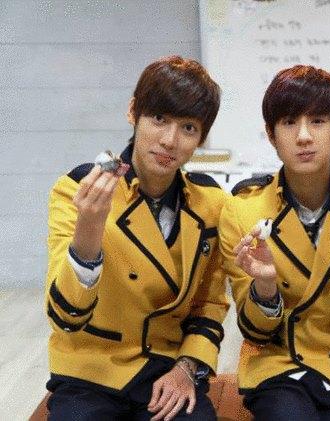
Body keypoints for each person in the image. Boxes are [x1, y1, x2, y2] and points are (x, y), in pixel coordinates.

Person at [44, 56, 228, 421]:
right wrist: (89, 228)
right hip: (88, 369)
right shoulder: (77, 189)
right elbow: (65, 317)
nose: (170, 140)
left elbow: (209, 304)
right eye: (158, 118)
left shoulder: (211, 203)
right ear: (133, 112)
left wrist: (186, 368)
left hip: (166, 366)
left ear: (201, 137)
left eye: (188, 127)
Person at [218, 65, 330, 421]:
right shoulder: (242, 210)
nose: (303, 136)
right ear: (271, 134)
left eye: (317, 121)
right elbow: (254, 333)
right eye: (288, 123)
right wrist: (265, 287)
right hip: (278, 368)